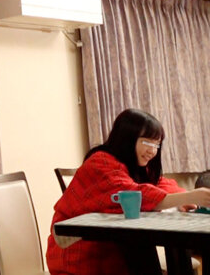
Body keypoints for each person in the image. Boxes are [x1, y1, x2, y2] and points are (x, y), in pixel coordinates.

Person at [46, 108, 210, 274]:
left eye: (156, 144)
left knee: (141, 248)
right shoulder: (100, 162)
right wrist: (187, 197)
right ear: (127, 137)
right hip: (79, 251)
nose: (153, 151)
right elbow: (135, 193)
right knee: (141, 250)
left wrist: (188, 199)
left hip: (115, 246)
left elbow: (161, 184)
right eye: (147, 143)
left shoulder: (133, 165)